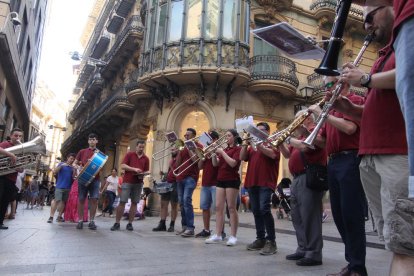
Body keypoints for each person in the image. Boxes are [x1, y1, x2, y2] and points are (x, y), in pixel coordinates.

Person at [333, 5, 414, 275]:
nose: (366, 26)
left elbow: (409, 72)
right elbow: (374, 110)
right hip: (372, 156)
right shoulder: (383, 54)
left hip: (396, 153)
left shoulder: (405, 39)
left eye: (370, 18)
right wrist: (349, 109)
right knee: (395, 240)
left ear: (392, 7)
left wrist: (365, 78)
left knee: (406, 244)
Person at [309, 76, 368, 276]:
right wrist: (303, 130)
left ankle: (358, 268)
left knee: (352, 215)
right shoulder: (331, 109)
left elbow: (350, 128)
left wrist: (323, 115)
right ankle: (352, 263)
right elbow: (324, 142)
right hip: (333, 161)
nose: (326, 88)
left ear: (343, 84)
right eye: (326, 84)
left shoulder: (353, 101)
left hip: (350, 159)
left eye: (329, 84)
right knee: (340, 216)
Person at [279, 111, 326, 266]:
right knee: (297, 215)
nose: (295, 123)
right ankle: (303, 248)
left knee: (310, 216)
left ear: (306, 119)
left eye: (297, 119)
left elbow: (305, 147)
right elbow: (287, 155)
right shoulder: (298, 137)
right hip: (297, 178)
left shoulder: (315, 130)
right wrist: (280, 143)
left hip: (309, 176)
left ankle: (314, 253)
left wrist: (288, 138)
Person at [240, 122, 280, 255]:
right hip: (252, 182)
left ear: (267, 132)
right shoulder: (252, 147)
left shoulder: (273, 142)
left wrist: (259, 145)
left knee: (264, 209)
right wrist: (245, 142)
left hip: (266, 182)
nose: (257, 133)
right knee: (256, 210)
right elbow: (242, 157)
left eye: (261, 130)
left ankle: (271, 241)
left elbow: (273, 155)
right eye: (255, 131)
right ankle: (260, 238)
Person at [205, 129, 242, 246]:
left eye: (229, 135)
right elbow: (215, 164)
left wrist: (222, 152)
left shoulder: (238, 149)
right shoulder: (225, 149)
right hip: (220, 179)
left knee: (231, 207)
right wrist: (213, 154)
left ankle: (233, 236)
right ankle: (218, 234)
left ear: (235, 137)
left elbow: (233, 163)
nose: (226, 138)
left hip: (232, 179)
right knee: (218, 207)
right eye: (226, 136)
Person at [111, 140, 149, 231]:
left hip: (138, 182)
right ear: (136, 147)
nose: (141, 149)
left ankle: (130, 223)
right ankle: (117, 223)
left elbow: (147, 170)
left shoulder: (146, 158)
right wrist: (134, 169)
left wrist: (144, 173)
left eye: (143, 147)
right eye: (139, 147)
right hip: (127, 181)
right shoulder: (130, 155)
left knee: (135, 202)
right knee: (122, 202)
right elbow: (123, 166)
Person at [175, 128, 203, 237]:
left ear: (194, 136)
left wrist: (190, 147)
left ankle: (190, 228)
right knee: (181, 203)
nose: (186, 137)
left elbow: (195, 160)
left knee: (186, 200)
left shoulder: (199, 146)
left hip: (191, 177)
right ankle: (184, 226)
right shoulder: (183, 147)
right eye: (185, 135)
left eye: (188, 135)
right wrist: (179, 151)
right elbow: (177, 165)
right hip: (180, 177)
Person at [74, 133, 101, 230]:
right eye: (90, 139)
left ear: (96, 141)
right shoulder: (82, 151)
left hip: (95, 179)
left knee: (94, 199)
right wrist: (79, 167)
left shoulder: (99, 154)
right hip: (83, 178)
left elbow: (100, 166)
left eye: (94, 139)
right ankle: (80, 221)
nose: (92, 141)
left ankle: (92, 221)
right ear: (88, 141)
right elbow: (74, 163)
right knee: (81, 199)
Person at [195, 131, 219, 238]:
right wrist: (201, 156)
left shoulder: (219, 151)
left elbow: (216, 165)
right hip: (205, 183)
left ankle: (220, 231)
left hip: (216, 183)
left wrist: (212, 152)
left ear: (214, 140)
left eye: (210, 139)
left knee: (217, 209)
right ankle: (206, 230)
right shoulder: (205, 151)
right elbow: (200, 167)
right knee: (205, 207)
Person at [0, 128, 24, 230]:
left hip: (12, 178)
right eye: (15, 135)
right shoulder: (6, 144)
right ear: (11, 136)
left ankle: (0, 222)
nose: (17, 138)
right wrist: (11, 154)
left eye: (19, 136)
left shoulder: (22, 149)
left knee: (5, 201)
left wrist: (19, 168)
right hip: (1, 176)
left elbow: (22, 169)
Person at [153, 147, 179, 232]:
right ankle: (162, 223)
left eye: (174, 149)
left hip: (175, 183)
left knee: (174, 205)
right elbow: (171, 171)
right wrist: (165, 174)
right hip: (168, 182)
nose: (172, 151)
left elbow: (177, 170)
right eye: (171, 150)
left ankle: (172, 224)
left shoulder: (179, 158)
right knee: (163, 204)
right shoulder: (172, 159)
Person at [47, 153, 76, 223]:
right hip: (59, 186)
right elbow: (55, 171)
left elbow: (74, 177)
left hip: (68, 187)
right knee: (56, 200)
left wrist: (74, 169)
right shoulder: (61, 164)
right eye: (71, 158)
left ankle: (59, 216)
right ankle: (51, 216)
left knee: (63, 202)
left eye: (73, 159)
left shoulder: (72, 167)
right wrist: (62, 166)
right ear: (67, 158)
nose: (72, 160)